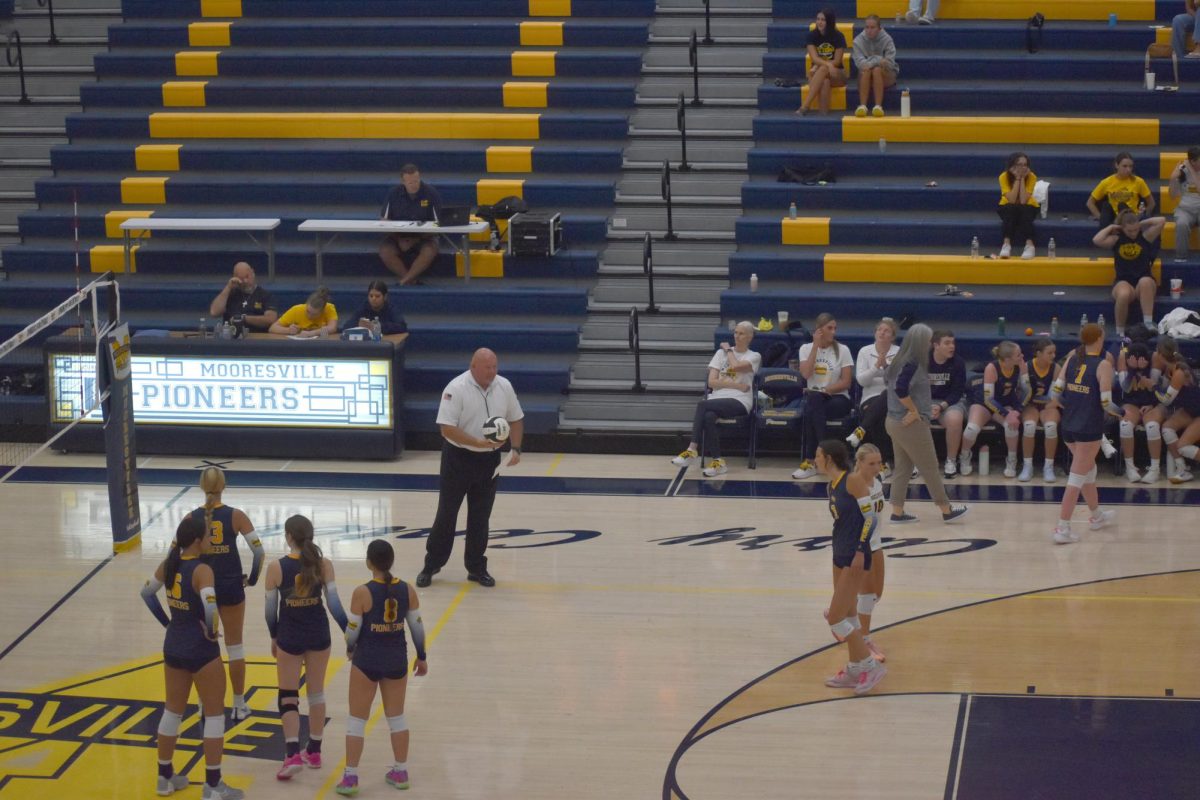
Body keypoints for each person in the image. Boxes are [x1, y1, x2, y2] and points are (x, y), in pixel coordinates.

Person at [140, 516, 245, 800]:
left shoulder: (169, 564)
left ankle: (164, 778)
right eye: (209, 536)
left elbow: (146, 593)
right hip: (200, 650)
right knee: (213, 715)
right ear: (198, 541)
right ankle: (213, 785)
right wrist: (212, 632)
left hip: (173, 644)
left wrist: (167, 622)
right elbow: (211, 608)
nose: (212, 540)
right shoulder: (201, 571)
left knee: (172, 711)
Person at [417, 348, 523, 588]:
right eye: (488, 368)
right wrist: (476, 442)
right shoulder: (455, 388)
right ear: (473, 366)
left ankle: (476, 567)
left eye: (495, 367)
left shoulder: (504, 386)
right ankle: (431, 564)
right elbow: (446, 428)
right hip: (458, 459)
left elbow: (516, 418)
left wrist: (515, 448)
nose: (492, 372)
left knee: (480, 516)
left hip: (489, 461)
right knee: (446, 514)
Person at [337, 539, 427, 796]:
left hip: (367, 661)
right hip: (396, 660)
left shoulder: (362, 592)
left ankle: (351, 777)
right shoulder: (407, 590)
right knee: (396, 717)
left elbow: (351, 632)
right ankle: (400, 771)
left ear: (368, 562)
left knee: (356, 720)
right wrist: (422, 657)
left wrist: (350, 649)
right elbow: (417, 628)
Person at [265, 514, 349, 781]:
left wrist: (274, 636)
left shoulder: (276, 567)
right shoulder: (324, 564)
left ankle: (291, 754)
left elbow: (269, 612)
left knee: (288, 696)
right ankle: (314, 750)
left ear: (288, 536)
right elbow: (335, 606)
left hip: (290, 636)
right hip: (318, 634)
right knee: (316, 694)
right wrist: (350, 635)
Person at [190, 466, 264, 721]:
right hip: (232, 585)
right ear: (224, 486)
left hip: (203, 589)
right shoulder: (236, 516)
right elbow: (259, 553)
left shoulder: (191, 518)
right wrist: (252, 579)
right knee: (235, 647)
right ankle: (239, 705)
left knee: (204, 647)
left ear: (201, 486)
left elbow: (179, 554)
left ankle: (203, 705)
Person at [815, 439, 888, 695]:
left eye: (818, 456)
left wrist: (860, 549)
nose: (815, 460)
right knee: (845, 615)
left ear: (829, 458)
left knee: (835, 618)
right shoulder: (831, 486)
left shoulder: (853, 481)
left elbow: (870, 518)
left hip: (855, 555)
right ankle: (855, 668)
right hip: (839, 551)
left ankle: (869, 665)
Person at [883, 324, 970, 524]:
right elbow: (899, 388)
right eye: (929, 340)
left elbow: (888, 378)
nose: (931, 344)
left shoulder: (899, 360)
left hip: (894, 421)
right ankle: (946, 509)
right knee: (930, 467)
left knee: (903, 469)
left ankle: (897, 512)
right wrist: (914, 410)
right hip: (909, 424)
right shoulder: (913, 363)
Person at [1050, 323, 1121, 544]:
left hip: (1069, 427)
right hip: (1089, 429)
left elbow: (1054, 393)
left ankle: (1097, 516)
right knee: (1076, 479)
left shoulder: (1072, 359)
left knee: (1088, 469)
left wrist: (1070, 405)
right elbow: (1107, 403)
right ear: (1099, 338)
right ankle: (1062, 529)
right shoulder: (1103, 365)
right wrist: (1123, 412)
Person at [671, 321, 761, 478]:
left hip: (740, 401)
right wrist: (738, 385)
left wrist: (728, 350)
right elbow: (711, 382)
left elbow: (736, 366)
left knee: (702, 405)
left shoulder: (754, 356)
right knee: (708, 416)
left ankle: (692, 450)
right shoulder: (720, 354)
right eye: (735, 333)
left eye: (741, 333)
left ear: (750, 337)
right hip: (719, 398)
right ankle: (718, 461)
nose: (737, 336)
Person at [791, 313, 854, 480]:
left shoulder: (843, 350)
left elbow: (846, 382)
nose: (833, 331)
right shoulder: (806, 349)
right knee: (813, 404)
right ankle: (825, 455)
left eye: (835, 328)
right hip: (816, 399)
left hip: (838, 398)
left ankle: (812, 459)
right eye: (829, 328)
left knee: (812, 407)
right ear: (819, 330)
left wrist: (827, 389)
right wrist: (815, 347)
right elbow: (805, 374)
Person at [960, 341, 1030, 478]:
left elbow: (1027, 392)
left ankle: (1011, 460)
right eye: (1018, 354)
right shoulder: (992, 368)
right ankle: (964, 456)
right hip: (983, 404)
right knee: (971, 429)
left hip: (1005, 403)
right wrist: (1006, 414)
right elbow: (989, 400)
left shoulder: (1021, 366)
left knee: (1012, 426)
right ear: (1008, 359)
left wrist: (1017, 411)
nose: (1022, 356)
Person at [1092, 210, 1166, 336]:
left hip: (1143, 281)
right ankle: (1120, 330)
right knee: (1123, 293)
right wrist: (1111, 227)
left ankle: (1148, 322)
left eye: (1135, 230)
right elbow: (1096, 240)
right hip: (1124, 280)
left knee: (1145, 281)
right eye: (1129, 231)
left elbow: (1161, 221)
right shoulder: (1117, 239)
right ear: (1122, 228)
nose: (1133, 233)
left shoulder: (1145, 236)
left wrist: (1141, 223)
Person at [850, 443, 888, 664]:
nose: (877, 467)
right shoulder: (854, 485)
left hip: (877, 543)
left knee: (877, 594)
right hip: (860, 546)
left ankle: (838, 613)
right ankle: (863, 640)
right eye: (871, 463)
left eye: (879, 462)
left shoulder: (878, 482)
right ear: (860, 463)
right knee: (867, 595)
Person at [378, 163, 442, 285]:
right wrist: (399, 238)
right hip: (398, 236)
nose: (415, 185)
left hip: (425, 237)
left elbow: (437, 223)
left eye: (417, 181)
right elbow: (384, 220)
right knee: (385, 251)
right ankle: (411, 280)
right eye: (411, 183)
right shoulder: (393, 194)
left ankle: (404, 281)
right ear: (403, 182)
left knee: (429, 251)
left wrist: (416, 239)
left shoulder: (431, 193)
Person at [847, 317, 899, 466]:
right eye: (879, 330)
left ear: (893, 336)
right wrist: (876, 366)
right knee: (879, 414)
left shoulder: (899, 352)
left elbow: (897, 381)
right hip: (870, 397)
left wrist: (886, 368)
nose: (882, 333)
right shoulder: (865, 351)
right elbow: (862, 381)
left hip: (895, 398)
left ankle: (861, 430)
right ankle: (885, 463)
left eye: (886, 331)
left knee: (888, 393)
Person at [1117, 341, 1165, 483]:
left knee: (1152, 427)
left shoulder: (1155, 358)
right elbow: (1125, 388)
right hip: (1131, 402)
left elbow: (1155, 388)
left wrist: (1151, 403)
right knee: (1125, 425)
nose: (1137, 361)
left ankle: (1155, 469)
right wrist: (1132, 370)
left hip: (1152, 403)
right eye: (1133, 359)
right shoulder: (1123, 357)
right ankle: (1130, 467)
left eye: (1141, 359)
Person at [1019, 337, 1061, 483]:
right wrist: (1036, 400)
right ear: (1038, 353)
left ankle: (1048, 467)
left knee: (1051, 427)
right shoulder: (1026, 367)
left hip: (1048, 406)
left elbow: (1053, 398)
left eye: (1054, 353)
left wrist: (1046, 402)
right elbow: (1025, 396)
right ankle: (1027, 466)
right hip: (1029, 405)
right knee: (1029, 426)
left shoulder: (1056, 369)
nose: (1053, 356)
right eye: (1049, 353)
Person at [928, 330, 969, 477]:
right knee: (913, 417)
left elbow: (957, 392)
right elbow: (916, 388)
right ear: (936, 345)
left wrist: (940, 406)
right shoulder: (923, 361)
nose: (952, 346)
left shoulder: (958, 363)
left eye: (953, 343)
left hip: (950, 402)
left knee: (954, 419)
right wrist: (927, 406)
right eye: (947, 343)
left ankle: (951, 460)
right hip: (927, 401)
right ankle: (918, 461)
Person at [1157, 354, 1200, 483]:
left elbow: (1166, 400)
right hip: (1191, 411)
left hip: (1197, 412)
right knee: (1167, 428)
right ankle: (1182, 469)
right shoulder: (1170, 372)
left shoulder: (1180, 373)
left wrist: (1153, 386)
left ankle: (1182, 469)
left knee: (1183, 447)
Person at [797, 8, 848, 116]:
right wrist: (827, 64)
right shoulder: (811, 35)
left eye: (823, 20)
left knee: (823, 69)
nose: (819, 22)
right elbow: (814, 58)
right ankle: (823, 116)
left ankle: (805, 106)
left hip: (837, 73)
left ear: (829, 22)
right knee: (825, 81)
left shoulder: (838, 36)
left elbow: (838, 61)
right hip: (818, 73)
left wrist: (826, 66)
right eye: (818, 19)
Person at [1086, 152, 1155, 229]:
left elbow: (1151, 203)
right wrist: (1099, 217)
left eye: (1130, 166)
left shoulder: (1138, 182)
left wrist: (1144, 215)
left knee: (1122, 205)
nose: (1128, 170)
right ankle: (1106, 231)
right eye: (1124, 166)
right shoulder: (1107, 182)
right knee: (1106, 206)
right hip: (1113, 217)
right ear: (1117, 165)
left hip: (1130, 216)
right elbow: (1090, 203)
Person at [208, 261, 278, 331]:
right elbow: (214, 312)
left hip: (257, 337)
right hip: (232, 337)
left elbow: (270, 319)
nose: (245, 281)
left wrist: (244, 318)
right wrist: (228, 288)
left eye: (247, 276)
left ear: (253, 273)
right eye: (241, 278)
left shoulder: (265, 295)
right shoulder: (230, 294)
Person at [851, 15, 898, 118]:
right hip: (866, 74)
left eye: (872, 27)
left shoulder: (887, 39)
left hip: (886, 73)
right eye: (867, 27)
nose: (869, 30)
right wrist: (878, 60)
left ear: (879, 28)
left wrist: (872, 63)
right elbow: (860, 63)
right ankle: (862, 106)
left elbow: (890, 63)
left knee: (876, 70)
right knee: (867, 70)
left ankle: (878, 106)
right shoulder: (858, 41)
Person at [997, 152, 1039, 260]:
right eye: (1019, 164)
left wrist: (1022, 180)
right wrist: (1017, 178)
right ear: (1012, 165)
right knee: (1010, 208)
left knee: (1025, 210)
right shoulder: (1003, 176)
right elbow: (1011, 199)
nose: (1022, 167)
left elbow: (1024, 200)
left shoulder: (1032, 177)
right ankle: (1006, 245)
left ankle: (1030, 246)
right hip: (1007, 206)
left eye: (1025, 165)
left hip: (1028, 206)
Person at [1167, 145, 1200, 262]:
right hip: (1185, 209)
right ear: (1193, 161)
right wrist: (1172, 179)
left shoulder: (1189, 169)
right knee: (1181, 224)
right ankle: (1181, 257)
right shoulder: (1182, 171)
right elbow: (1173, 195)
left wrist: (1191, 169)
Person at [269, 286, 339, 338]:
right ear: (306, 304)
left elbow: (332, 328)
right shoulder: (296, 310)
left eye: (314, 314)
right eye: (308, 311)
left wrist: (312, 333)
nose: (309, 316)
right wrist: (288, 330)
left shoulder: (329, 308)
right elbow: (272, 328)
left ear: (322, 311)